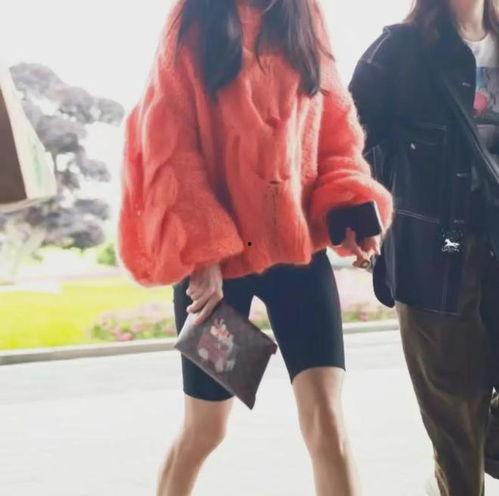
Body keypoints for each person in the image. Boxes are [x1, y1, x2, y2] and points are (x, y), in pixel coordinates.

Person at [119, 0, 392, 494]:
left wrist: (348, 206)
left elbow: (335, 133)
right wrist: (202, 253)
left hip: (298, 257)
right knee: (206, 429)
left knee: (328, 423)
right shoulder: (194, 17)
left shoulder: (304, 15)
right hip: (218, 270)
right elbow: (169, 144)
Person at [349, 0, 499, 494]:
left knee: (469, 429)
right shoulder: (398, 51)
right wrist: (365, 217)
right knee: (457, 438)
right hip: (433, 265)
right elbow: (342, 144)